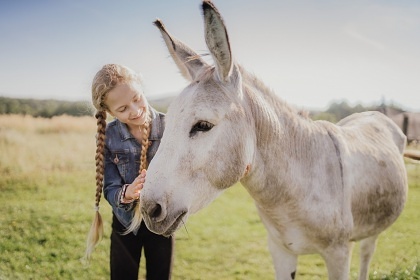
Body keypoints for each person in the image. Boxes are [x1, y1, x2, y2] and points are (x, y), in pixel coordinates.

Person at [85, 64, 173, 280]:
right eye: (123, 109)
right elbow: (110, 188)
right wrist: (127, 193)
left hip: (161, 221)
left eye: (137, 98)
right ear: (108, 112)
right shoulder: (108, 136)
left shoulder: (170, 126)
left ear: (142, 89)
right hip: (124, 225)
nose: (134, 110)